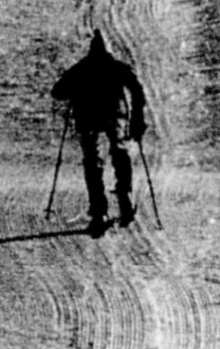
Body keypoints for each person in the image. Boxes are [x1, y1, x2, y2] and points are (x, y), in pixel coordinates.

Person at [51, 29, 148, 238]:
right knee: (120, 153)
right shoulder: (117, 67)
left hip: (88, 117)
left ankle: (99, 212)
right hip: (115, 115)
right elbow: (137, 91)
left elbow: (57, 92)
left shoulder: (80, 68)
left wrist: (76, 91)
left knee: (92, 161)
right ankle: (125, 201)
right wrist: (138, 119)